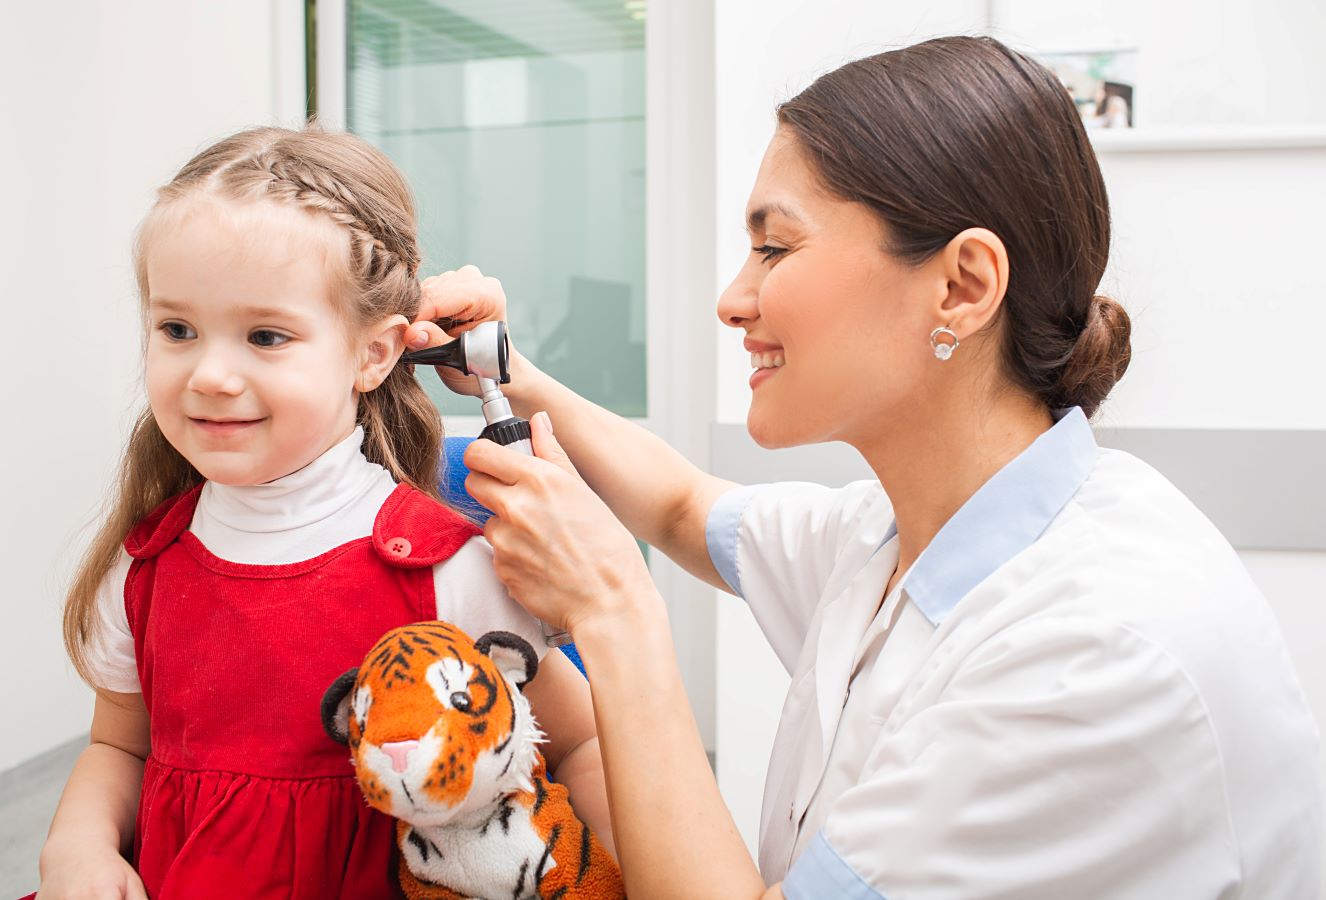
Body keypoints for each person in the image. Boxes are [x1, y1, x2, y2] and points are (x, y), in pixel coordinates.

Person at [406, 36, 1322, 899]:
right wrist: (507, 372)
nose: (734, 298)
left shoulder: (1096, 657)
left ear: (961, 286)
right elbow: (687, 510)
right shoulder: (898, 536)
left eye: (775, 246)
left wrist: (612, 608)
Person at [36, 127, 608, 899]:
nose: (208, 373)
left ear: (374, 354)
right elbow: (120, 748)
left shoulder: (447, 571)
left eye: (265, 336)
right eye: (177, 329)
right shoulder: (144, 566)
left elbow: (578, 744)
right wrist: (76, 847)